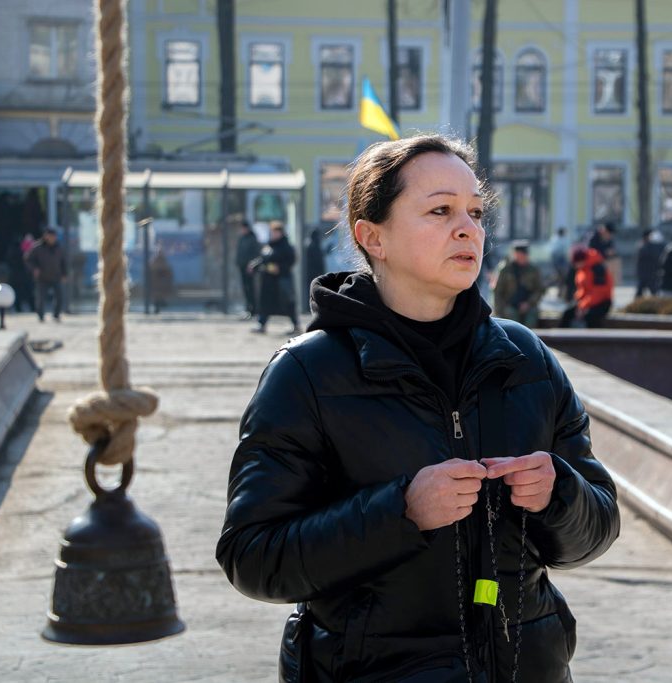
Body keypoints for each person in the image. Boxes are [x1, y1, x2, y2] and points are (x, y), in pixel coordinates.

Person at [217, 134, 620, 683]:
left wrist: (560, 494)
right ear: (371, 236)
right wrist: (400, 511)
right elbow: (253, 556)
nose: (468, 228)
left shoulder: (524, 358)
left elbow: (597, 529)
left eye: (475, 212)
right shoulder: (308, 373)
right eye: (440, 210)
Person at [248, 221, 300, 334]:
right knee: (265, 303)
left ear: (281, 233)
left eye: (276, 232)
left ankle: (295, 325)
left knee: (288, 303)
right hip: (268, 281)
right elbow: (263, 259)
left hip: (282, 280)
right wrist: (254, 265)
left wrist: (280, 268)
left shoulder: (286, 246)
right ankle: (261, 324)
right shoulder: (269, 245)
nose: (273, 235)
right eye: (272, 232)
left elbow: (291, 261)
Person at [492, 240, 545, 328]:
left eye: (525, 254)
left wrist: (529, 303)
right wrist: (499, 311)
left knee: (532, 317)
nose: (524, 257)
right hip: (509, 304)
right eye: (521, 254)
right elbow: (497, 291)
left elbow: (539, 290)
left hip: (528, 304)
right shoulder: (505, 269)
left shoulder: (533, 269)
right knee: (511, 318)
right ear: (515, 254)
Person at [559, 247, 614, 329]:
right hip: (586, 302)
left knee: (590, 316)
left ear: (581, 260)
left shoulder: (597, 268)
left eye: (576, 263)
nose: (575, 266)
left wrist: (583, 306)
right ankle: (562, 339)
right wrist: (578, 303)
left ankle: (595, 340)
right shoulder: (582, 270)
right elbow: (582, 290)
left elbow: (598, 293)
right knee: (567, 313)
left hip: (602, 302)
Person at [25, 227, 67, 322]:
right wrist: (34, 269)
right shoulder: (37, 248)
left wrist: (64, 274)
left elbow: (63, 262)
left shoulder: (59, 248)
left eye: (54, 236)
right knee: (40, 298)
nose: (52, 238)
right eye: (50, 236)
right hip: (42, 277)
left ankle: (56, 315)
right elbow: (28, 259)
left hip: (56, 276)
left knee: (60, 296)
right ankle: (40, 316)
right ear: (46, 236)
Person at [236, 220, 261, 319]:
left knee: (250, 289)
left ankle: (253, 309)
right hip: (242, 267)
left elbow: (255, 254)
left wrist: (252, 265)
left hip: (250, 268)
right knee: (245, 288)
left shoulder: (252, 238)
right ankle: (248, 308)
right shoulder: (242, 238)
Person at [587, 220, 620, 285]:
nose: (610, 236)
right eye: (610, 234)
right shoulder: (593, 237)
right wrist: (605, 252)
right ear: (605, 231)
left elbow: (612, 250)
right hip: (591, 266)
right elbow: (591, 252)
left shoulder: (609, 240)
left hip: (603, 265)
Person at [635, 229, 665, 297]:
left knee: (646, 292)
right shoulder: (644, 246)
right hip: (649, 273)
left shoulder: (643, 246)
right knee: (652, 292)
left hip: (647, 273)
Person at [303, 228, 326, 311]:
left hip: (310, 272)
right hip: (315, 272)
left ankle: (310, 306)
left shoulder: (309, 244)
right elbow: (318, 260)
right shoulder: (315, 245)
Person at [149, 246, 174, 314]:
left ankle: (159, 304)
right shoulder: (155, 260)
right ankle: (157, 306)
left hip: (160, 283)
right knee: (157, 296)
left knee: (159, 295)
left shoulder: (162, 260)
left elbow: (167, 271)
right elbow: (152, 270)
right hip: (157, 283)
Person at [549, 226, 571, 300]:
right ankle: (562, 294)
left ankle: (561, 293)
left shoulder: (554, 239)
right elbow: (566, 251)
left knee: (560, 278)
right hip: (561, 261)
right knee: (563, 278)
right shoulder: (562, 240)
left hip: (556, 261)